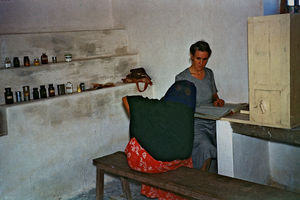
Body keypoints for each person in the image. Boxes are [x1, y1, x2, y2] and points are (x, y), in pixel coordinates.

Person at [122, 80, 196, 200]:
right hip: (177, 164)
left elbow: (126, 99)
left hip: (149, 165)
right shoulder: (187, 113)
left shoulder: (156, 106)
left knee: (139, 144)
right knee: (179, 153)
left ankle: (155, 190)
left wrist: (139, 118)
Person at [175, 40, 224, 172]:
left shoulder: (209, 73)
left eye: (205, 59)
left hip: (212, 120)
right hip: (195, 123)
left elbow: (214, 95)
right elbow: (180, 107)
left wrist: (217, 101)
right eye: (198, 59)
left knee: (224, 144)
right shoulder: (182, 78)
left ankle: (213, 182)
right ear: (191, 56)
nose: (201, 63)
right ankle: (199, 183)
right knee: (206, 146)